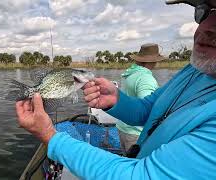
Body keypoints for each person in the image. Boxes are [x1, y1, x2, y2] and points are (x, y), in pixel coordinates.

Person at [15, 0, 216, 179]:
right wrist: (117, 101)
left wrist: (50, 136)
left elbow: (140, 176)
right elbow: (150, 110)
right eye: (205, 10)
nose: (205, 27)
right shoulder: (196, 69)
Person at [117, 43, 163, 155]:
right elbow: (146, 108)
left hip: (123, 128)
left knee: (127, 162)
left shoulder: (130, 74)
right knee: (137, 167)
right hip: (136, 133)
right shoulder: (146, 78)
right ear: (154, 61)